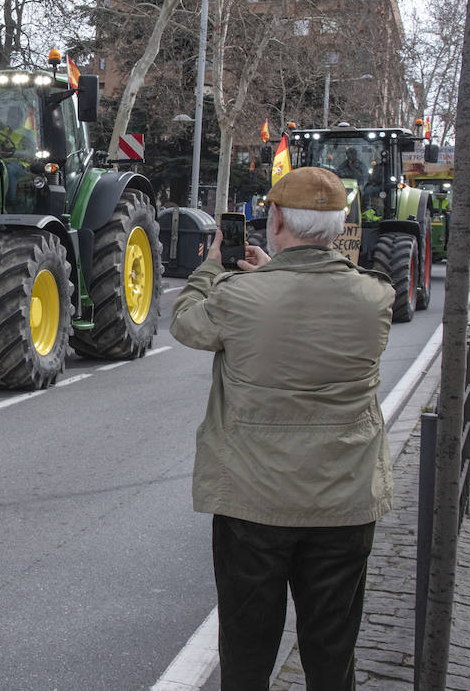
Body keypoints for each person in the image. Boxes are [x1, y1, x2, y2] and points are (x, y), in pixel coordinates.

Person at [169, 166, 394, 691]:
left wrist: (209, 267)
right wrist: (276, 271)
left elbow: (186, 321)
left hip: (254, 504)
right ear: (339, 227)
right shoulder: (374, 299)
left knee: (247, 655)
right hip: (344, 503)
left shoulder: (239, 297)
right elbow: (311, 305)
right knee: (332, 653)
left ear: (273, 220)